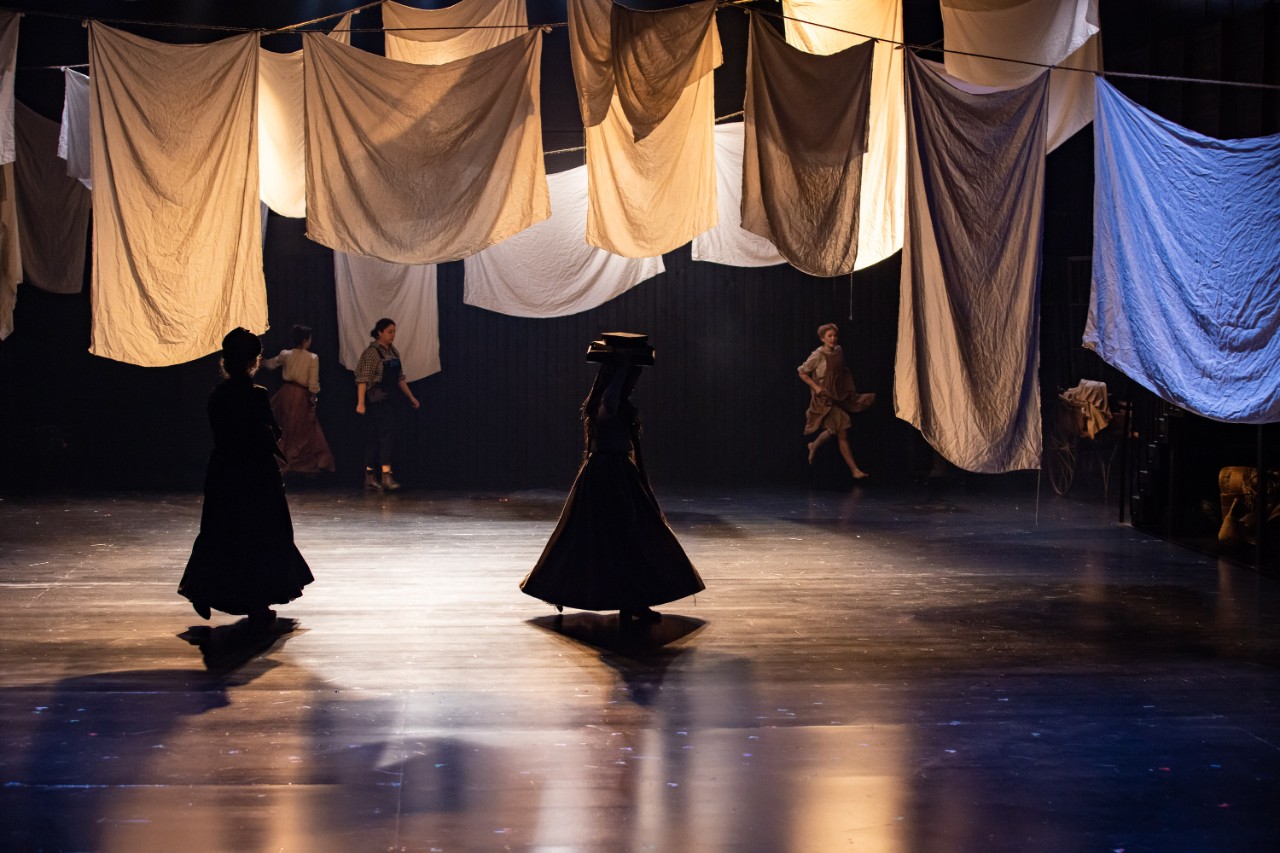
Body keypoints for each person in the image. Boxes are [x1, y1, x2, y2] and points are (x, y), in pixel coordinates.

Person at [520, 332, 705, 622]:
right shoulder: (607, 404)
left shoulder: (610, 404)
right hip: (606, 476)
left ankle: (633, 600)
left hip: (617, 473)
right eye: (631, 378)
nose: (634, 382)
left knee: (629, 538)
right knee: (603, 538)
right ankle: (621, 599)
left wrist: (625, 366)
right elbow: (612, 395)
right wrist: (622, 365)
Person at [179, 328, 314, 628]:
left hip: (225, 469)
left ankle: (203, 587)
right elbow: (270, 434)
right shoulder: (256, 395)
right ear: (255, 361)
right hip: (254, 472)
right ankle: (257, 603)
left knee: (219, 530)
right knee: (261, 534)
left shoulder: (218, 395)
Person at [798, 322, 875, 480]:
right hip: (824, 398)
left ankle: (852, 469)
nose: (833, 338)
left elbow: (841, 371)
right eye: (829, 336)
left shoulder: (839, 350)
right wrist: (816, 388)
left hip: (836, 395)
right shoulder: (817, 355)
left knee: (841, 433)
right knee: (842, 430)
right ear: (822, 338)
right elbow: (802, 372)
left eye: (835, 335)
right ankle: (853, 469)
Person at [260, 324, 336, 474]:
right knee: (302, 430)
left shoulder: (286, 354)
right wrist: (313, 401)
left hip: (286, 394)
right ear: (306, 340)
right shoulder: (312, 358)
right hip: (300, 395)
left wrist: (260, 360)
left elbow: (270, 364)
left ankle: (285, 460)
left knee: (287, 428)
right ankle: (295, 462)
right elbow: (313, 383)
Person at [354, 318, 420, 491]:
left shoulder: (393, 352)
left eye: (394, 331)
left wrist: (411, 397)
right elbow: (363, 379)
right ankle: (384, 475)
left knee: (378, 436)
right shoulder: (371, 353)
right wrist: (360, 402)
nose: (393, 335)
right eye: (390, 331)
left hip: (390, 398)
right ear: (380, 332)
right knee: (384, 434)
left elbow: (400, 378)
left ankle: (371, 476)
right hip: (376, 399)